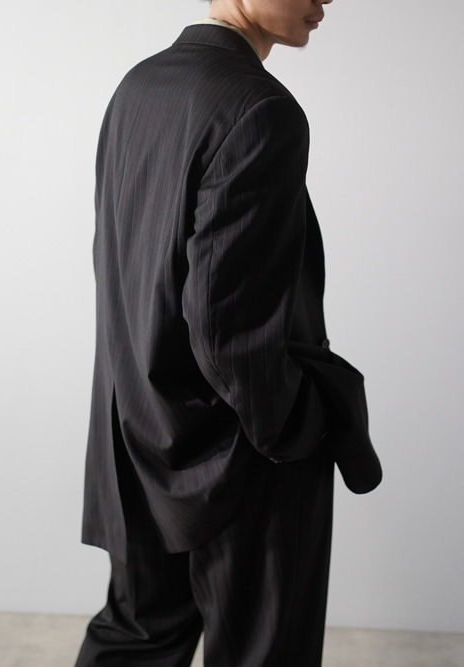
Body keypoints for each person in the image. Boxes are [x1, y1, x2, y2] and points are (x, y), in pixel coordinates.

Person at [75, 1, 382, 665]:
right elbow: (226, 325)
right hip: (239, 453)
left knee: (136, 637)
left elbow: (120, 263)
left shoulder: (140, 85)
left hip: (138, 431)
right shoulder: (260, 108)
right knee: (262, 652)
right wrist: (295, 429)